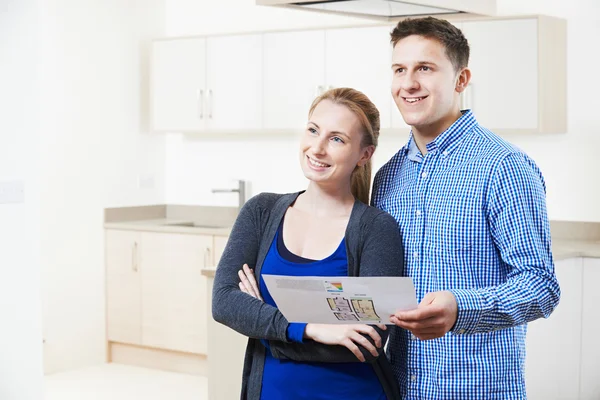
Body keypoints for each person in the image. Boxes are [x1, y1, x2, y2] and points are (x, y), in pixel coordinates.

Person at [371, 16, 561, 399]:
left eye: (425, 68)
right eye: (399, 69)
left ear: (460, 80)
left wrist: (461, 309)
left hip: (477, 389)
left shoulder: (503, 167)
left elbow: (541, 285)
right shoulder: (388, 176)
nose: (408, 83)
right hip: (398, 386)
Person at [212, 87, 405, 400]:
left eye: (337, 139)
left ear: (364, 155)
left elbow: (367, 342)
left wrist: (264, 321)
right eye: (313, 130)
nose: (317, 148)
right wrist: (313, 327)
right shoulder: (261, 211)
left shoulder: (376, 229)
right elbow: (223, 302)